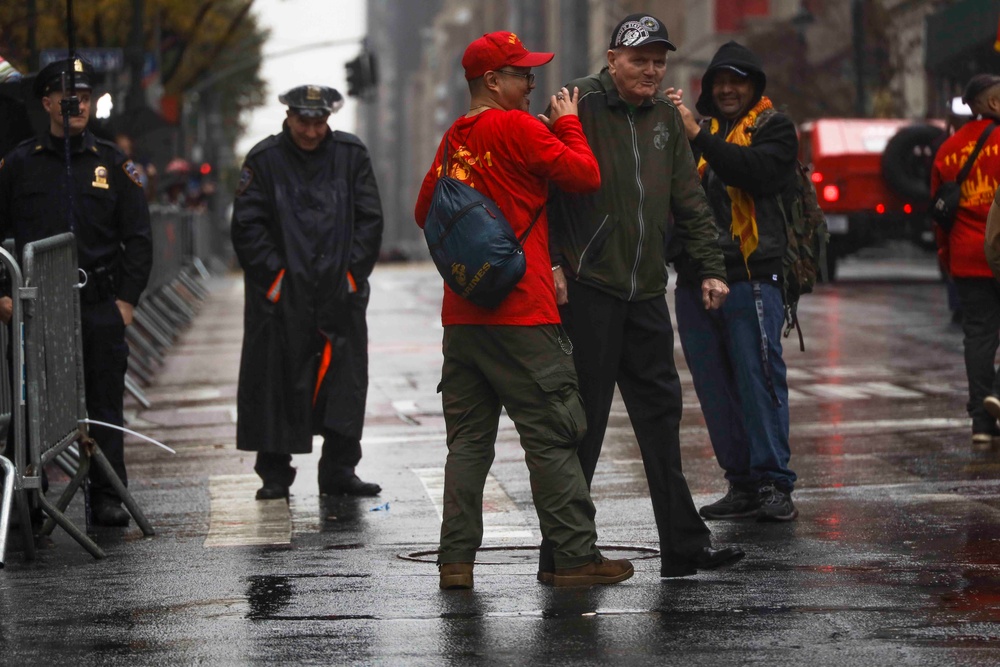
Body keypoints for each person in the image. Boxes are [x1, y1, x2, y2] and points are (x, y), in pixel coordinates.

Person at [414, 31, 633, 589]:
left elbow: (424, 211)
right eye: (522, 73)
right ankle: (577, 559)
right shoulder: (516, 126)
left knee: (467, 446)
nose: (532, 82)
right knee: (553, 437)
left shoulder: (453, 140)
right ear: (492, 81)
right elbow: (584, 175)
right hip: (522, 311)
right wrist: (566, 122)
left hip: (463, 318)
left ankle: (456, 563)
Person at [545, 14, 744, 579]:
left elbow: (689, 199)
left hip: (646, 293)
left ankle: (683, 547)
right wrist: (555, 261)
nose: (651, 70)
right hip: (589, 290)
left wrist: (709, 267)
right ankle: (564, 552)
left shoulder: (665, 118)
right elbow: (547, 188)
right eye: (639, 60)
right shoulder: (576, 103)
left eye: (659, 60)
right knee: (581, 426)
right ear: (612, 60)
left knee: (661, 420)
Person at [0, 56, 153, 526]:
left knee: (105, 405)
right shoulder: (19, 164)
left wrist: (125, 302)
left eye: (84, 97)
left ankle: (106, 495)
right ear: (47, 102)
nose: (78, 104)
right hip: (33, 307)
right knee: (31, 407)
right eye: (68, 97)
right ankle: (30, 499)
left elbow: (139, 238)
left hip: (97, 304)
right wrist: (1, 293)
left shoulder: (112, 163)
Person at [665, 41, 799, 522]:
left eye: (737, 80)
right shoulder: (693, 133)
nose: (727, 89)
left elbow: (755, 174)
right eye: (719, 81)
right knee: (715, 387)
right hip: (695, 280)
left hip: (752, 278)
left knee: (758, 380)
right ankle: (741, 483)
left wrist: (697, 135)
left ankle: (773, 483)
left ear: (754, 86)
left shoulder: (774, 129)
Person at [231, 85, 384, 500]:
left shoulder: (351, 156)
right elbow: (248, 226)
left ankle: (339, 469)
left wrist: (352, 275)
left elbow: (370, 219)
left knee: (345, 382)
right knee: (276, 381)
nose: (313, 132)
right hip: (283, 297)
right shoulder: (264, 160)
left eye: (320, 123)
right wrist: (276, 280)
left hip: (340, 291)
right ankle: (275, 474)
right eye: (304, 123)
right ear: (288, 117)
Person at [931, 74, 1000, 445]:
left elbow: (939, 211)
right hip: (998, 250)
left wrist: (946, 254)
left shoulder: (948, 149)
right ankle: (997, 396)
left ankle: (981, 423)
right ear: (992, 104)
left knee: (978, 336)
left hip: (965, 256)